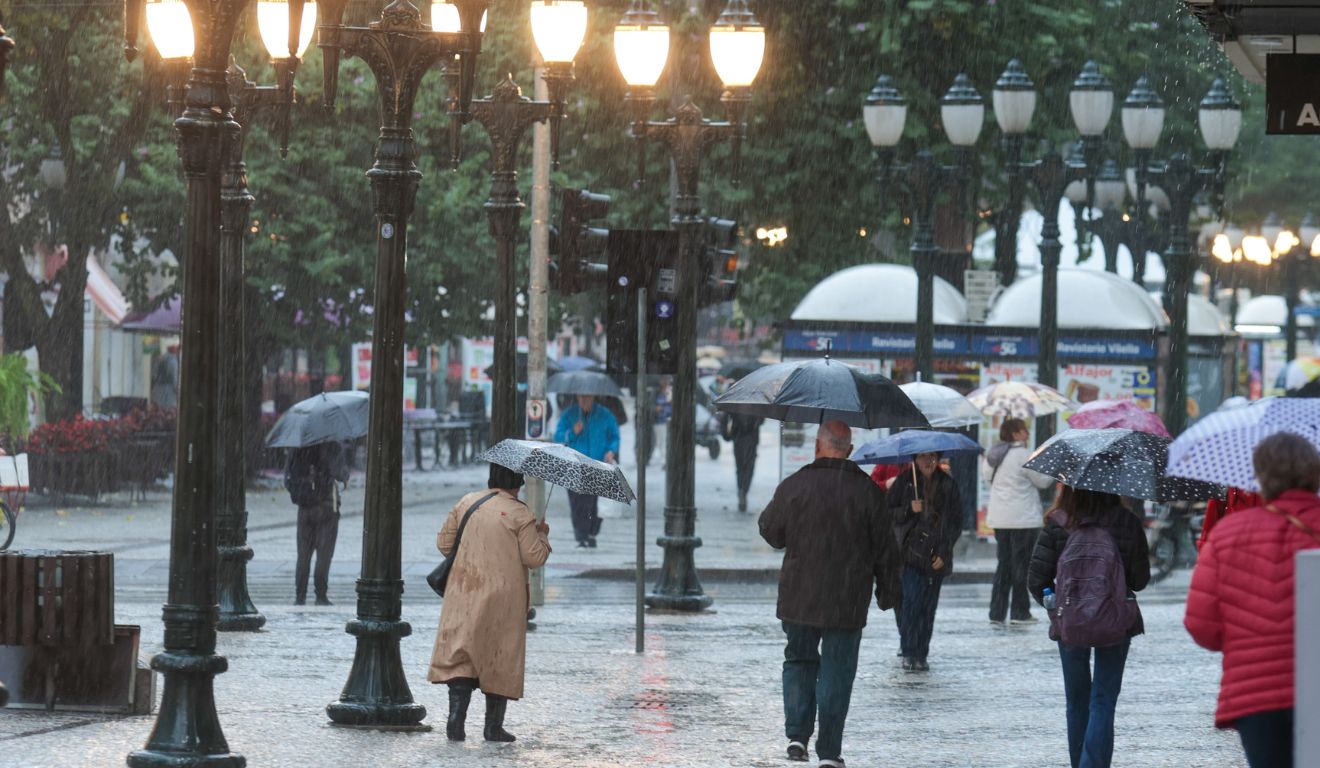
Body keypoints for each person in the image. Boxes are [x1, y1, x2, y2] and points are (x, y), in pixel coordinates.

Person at [759, 420, 900, 767]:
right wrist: (888, 591)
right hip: (847, 599)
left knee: (799, 660)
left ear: (817, 446)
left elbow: (771, 532)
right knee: (838, 671)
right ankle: (829, 751)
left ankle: (797, 736)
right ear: (849, 450)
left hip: (800, 595)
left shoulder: (795, 485)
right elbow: (886, 548)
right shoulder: (867, 492)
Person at [1185, 433, 1320, 768]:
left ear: (1259, 474)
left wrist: (1249, 639)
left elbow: (1203, 627)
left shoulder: (1228, 534)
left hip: (1255, 695)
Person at [429, 464, 551, 743]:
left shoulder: (467, 501)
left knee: (461, 653)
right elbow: (534, 557)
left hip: (463, 590)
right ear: (517, 483)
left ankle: (455, 720)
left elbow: (445, 544)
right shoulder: (520, 513)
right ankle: (493, 727)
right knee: (500, 654)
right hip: (503, 597)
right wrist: (542, 534)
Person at [1029, 486, 1150, 768]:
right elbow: (1139, 580)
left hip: (1070, 623)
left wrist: (1058, 606)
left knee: (1076, 700)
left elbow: (1036, 579)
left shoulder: (1059, 521)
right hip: (1115, 622)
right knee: (1103, 700)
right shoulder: (1126, 522)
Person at [888, 452, 964, 671]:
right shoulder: (905, 481)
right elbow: (887, 512)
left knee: (928, 608)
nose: (927, 461)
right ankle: (909, 651)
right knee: (911, 603)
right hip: (909, 555)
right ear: (915, 459)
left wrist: (944, 551)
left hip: (935, 555)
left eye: (932, 456)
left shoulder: (948, 485)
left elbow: (955, 521)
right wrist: (908, 509)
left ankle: (921, 653)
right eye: (922, 457)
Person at [983, 418, 1054, 625]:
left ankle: (996, 613)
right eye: (1024, 430)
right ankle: (1020, 612)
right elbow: (1043, 481)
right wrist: (1052, 468)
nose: (1027, 434)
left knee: (1003, 565)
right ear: (1015, 434)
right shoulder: (1024, 455)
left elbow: (988, 478)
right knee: (1021, 566)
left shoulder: (993, 455)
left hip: (1000, 519)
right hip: (1023, 519)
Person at [284, 440, 350, 606]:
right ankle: (321, 595)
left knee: (303, 555)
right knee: (324, 554)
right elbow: (340, 473)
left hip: (304, 507)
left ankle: (300, 596)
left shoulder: (297, 445)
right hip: (327, 507)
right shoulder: (331, 444)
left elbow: (287, 478)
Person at [554, 394, 620, 547]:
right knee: (577, 502)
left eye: (587, 397)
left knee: (595, 502)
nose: (584, 400)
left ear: (593, 397)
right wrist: (572, 432)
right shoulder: (569, 415)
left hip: (598, 464)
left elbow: (614, 436)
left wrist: (611, 450)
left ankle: (592, 532)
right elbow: (558, 436)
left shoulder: (605, 415)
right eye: (581, 397)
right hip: (575, 466)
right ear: (577, 397)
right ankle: (581, 535)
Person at [723, 412, 766, 512]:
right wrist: (756, 421)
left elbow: (726, 417)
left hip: (738, 437)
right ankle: (743, 490)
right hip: (750, 438)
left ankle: (741, 489)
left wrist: (726, 433)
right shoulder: (756, 406)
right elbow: (762, 420)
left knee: (740, 468)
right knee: (748, 468)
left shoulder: (735, 404)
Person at [150, 344, 179, 409]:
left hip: (158, 388)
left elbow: (154, 375)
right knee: (168, 409)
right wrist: (176, 390)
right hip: (168, 390)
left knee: (158, 408)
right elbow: (175, 378)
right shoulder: (173, 361)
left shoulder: (160, 358)